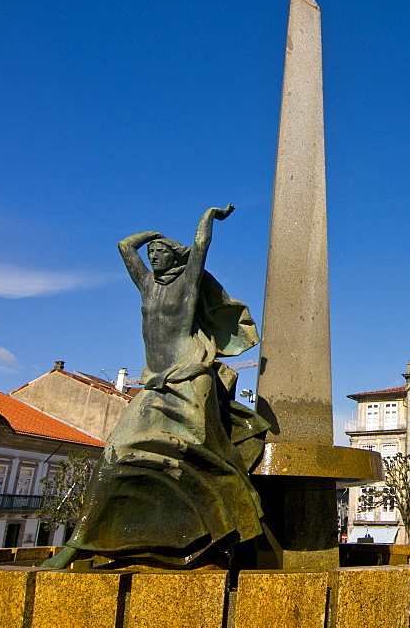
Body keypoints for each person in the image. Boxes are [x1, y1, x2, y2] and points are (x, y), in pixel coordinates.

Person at [43, 205, 269, 569]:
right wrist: (152, 234)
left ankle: (215, 537)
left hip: (190, 381)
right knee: (115, 451)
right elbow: (124, 247)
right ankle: (81, 542)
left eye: (160, 252)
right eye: (151, 253)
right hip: (154, 384)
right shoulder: (148, 285)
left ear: (175, 256)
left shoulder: (188, 282)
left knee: (196, 459)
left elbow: (200, 245)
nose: (152, 256)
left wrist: (209, 215)